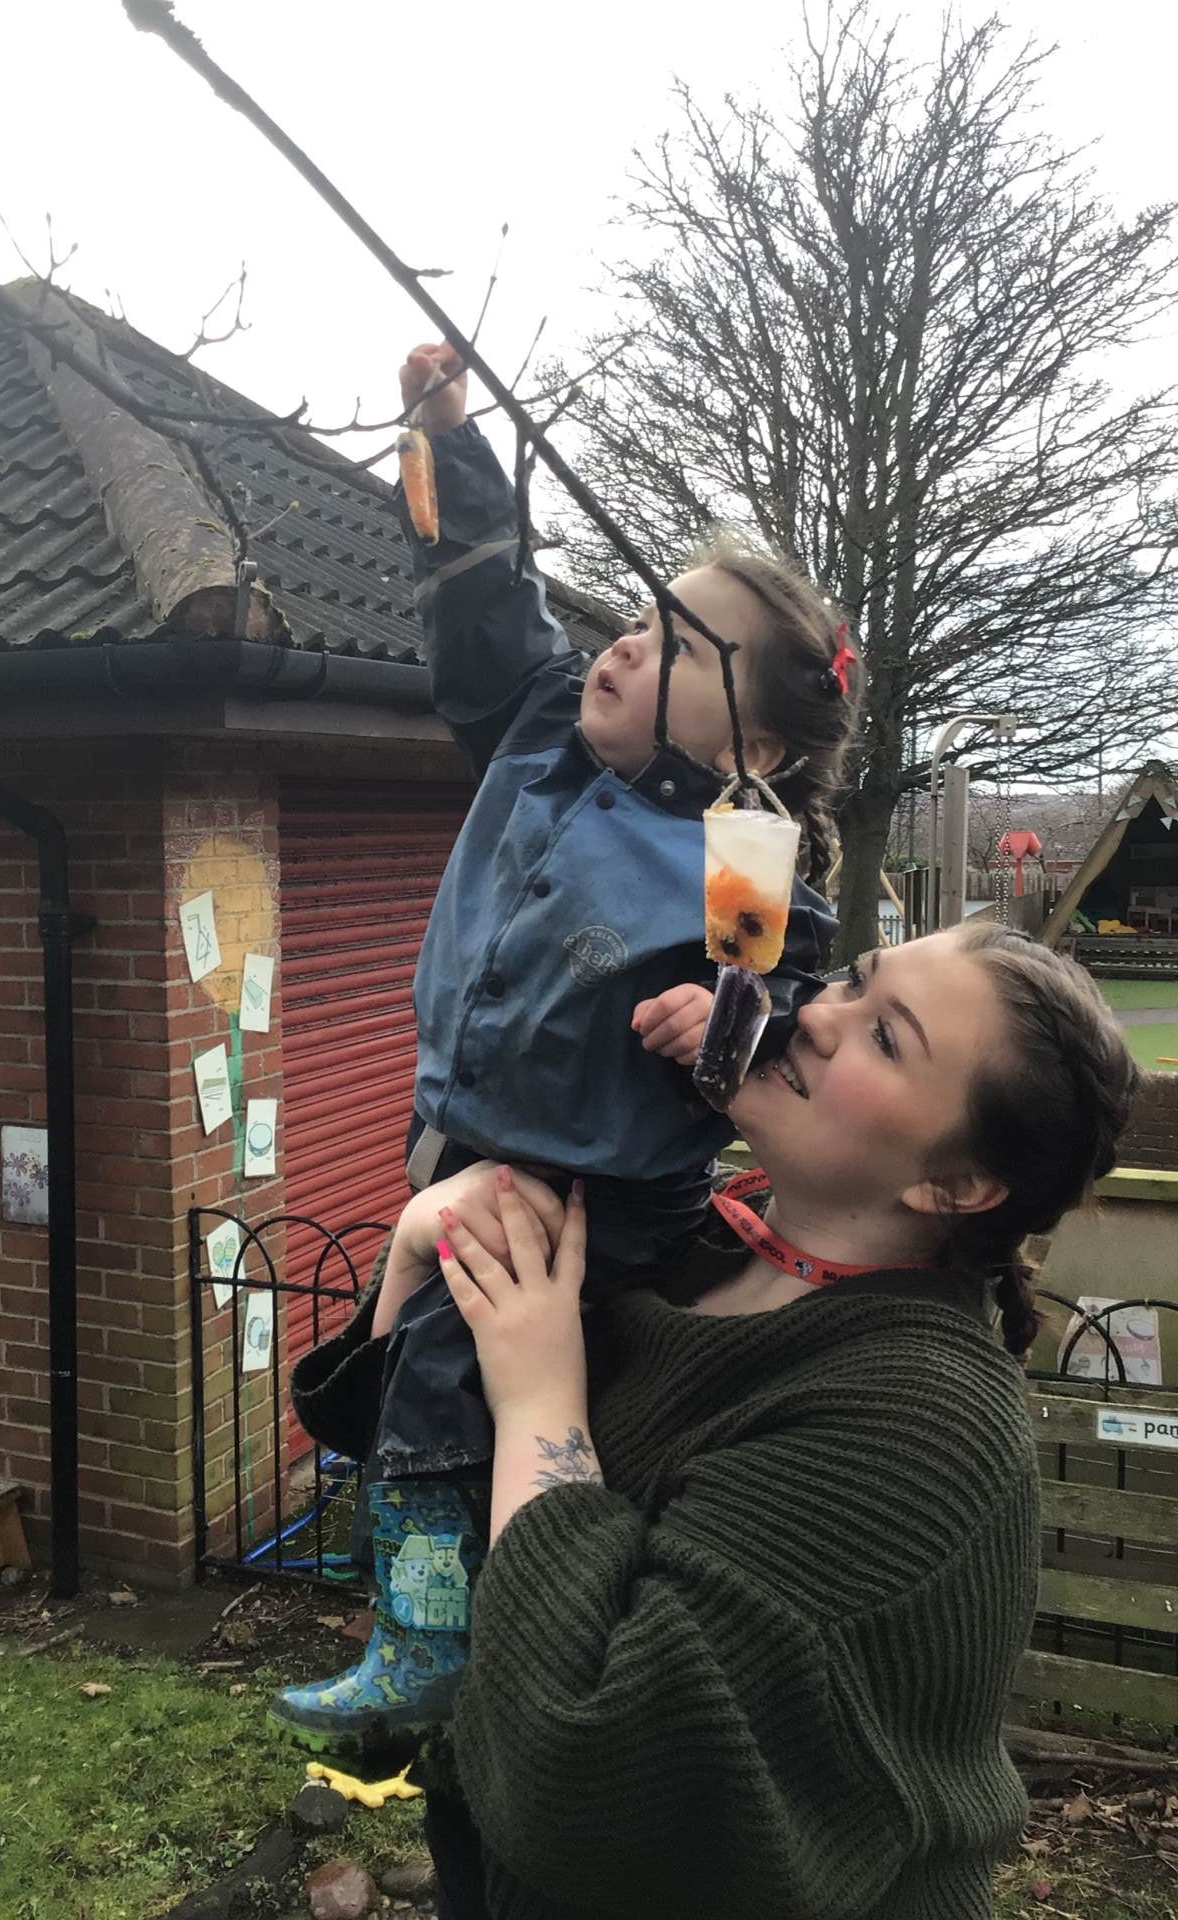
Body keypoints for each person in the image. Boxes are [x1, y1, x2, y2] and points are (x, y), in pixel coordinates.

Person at [287, 922, 1140, 1919]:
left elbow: (592, 1772)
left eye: (885, 1037)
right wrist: (421, 1253)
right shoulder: (687, 1243)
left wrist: (541, 1398)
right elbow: (430, 1480)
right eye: (852, 980)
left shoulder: (923, 1428)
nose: (815, 1015)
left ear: (955, 1185)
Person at [270, 343, 865, 1755]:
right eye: (643, 616)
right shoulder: (541, 732)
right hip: (469, 1139)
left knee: (444, 1362)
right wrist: (448, 435)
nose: (630, 643)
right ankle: (430, 1596)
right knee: (419, 1350)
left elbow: (782, 1006)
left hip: (603, 1186)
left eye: (680, 648)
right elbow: (486, 606)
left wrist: (729, 1020)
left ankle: (431, 1635)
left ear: (763, 749)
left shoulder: (739, 850)